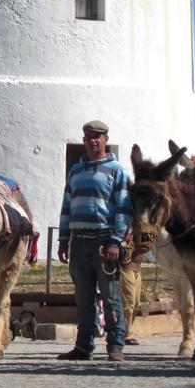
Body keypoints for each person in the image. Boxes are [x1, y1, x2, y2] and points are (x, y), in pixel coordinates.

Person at [56, 120, 133, 362]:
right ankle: (83, 346)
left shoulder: (117, 170)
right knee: (84, 297)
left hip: (103, 241)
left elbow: (123, 207)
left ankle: (115, 344)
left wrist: (115, 241)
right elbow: (67, 205)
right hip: (79, 241)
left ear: (106, 139)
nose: (93, 140)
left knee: (110, 296)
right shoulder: (76, 171)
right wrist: (63, 238)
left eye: (98, 136)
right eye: (89, 136)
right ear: (84, 140)